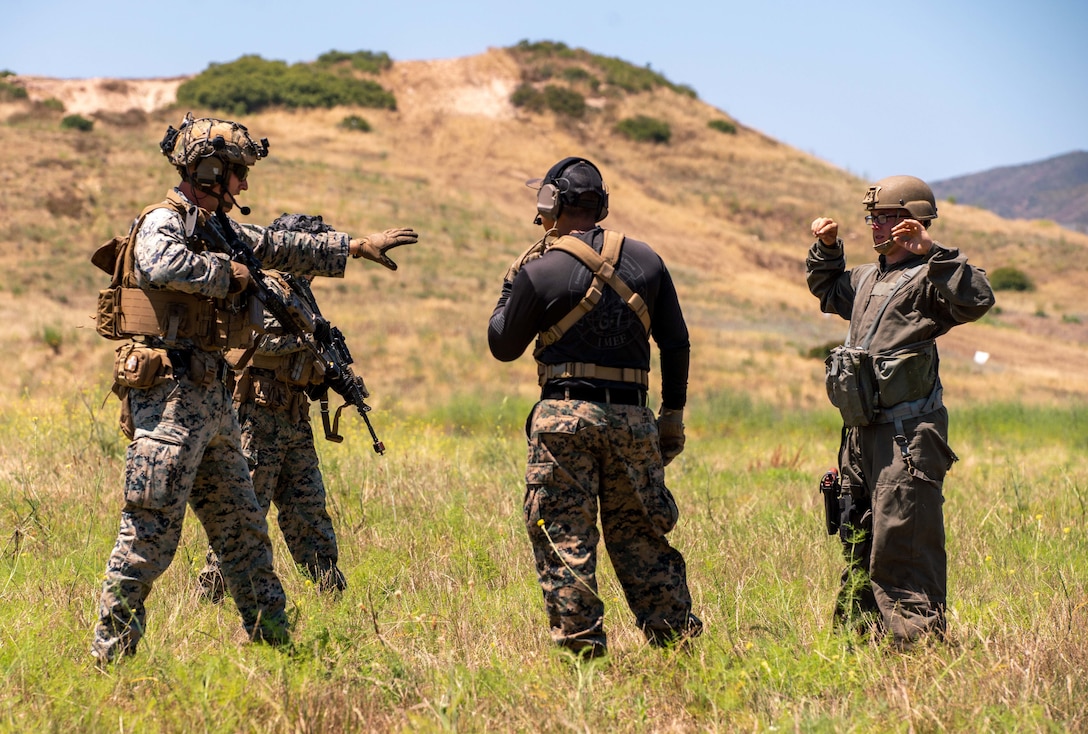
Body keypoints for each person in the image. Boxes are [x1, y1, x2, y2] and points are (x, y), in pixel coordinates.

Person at [90, 113, 417, 664]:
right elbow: (161, 264)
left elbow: (279, 245)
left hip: (213, 403)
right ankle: (110, 655)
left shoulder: (219, 228)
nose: (243, 185)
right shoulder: (163, 222)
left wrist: (355, 246)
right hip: (170, 400)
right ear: (209, 169)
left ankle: (275, 648)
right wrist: (232, 276)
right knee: (148, 533)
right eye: (237, 173)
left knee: (245, 534)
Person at [488, 156, 702, 658]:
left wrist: (508, 288)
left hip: (562, 420)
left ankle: (583, 655)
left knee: (564, 540)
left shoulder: (538, 271)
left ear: (552, 204)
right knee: (642, 537)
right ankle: (676, 647)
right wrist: (671, 415)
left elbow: (502, 345)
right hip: (633, 419)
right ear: (601, 205)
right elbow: (676, 342)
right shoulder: (648, 261)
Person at [807, 175, 994, 648]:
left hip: (907, 435)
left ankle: (919, 650)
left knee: (903, 538)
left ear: (917, 219)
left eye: (889, 217)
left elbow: (977, 299)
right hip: (860, 433)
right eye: (874, 217)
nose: (879, 226)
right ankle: (858, 643)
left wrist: (933, 250)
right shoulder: (870, 278)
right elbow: (829, 290)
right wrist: (829, 248)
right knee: (858, 531)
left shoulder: (931, 279)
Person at [197, 214, 400, 601]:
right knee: (245, 509)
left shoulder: (299, 289)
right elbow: (257, 341)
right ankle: (213, 590)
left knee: (308, 509)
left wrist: (332, 373)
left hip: (291, 416)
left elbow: (305, 348)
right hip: (256, 414)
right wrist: (309, 336)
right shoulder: (262, 285)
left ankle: (329, 589)